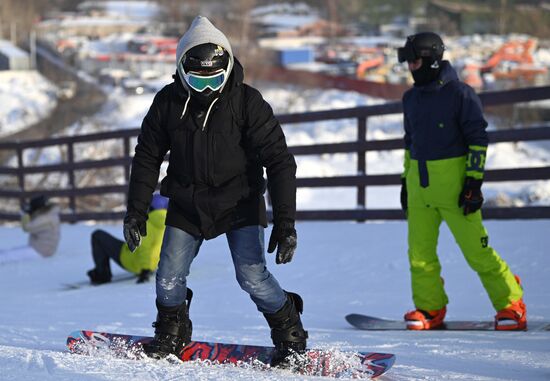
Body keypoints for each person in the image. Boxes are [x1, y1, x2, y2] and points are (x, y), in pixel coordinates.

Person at [123, 15, 307, 364]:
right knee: (167, 277)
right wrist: (135, 211)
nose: (207, 89)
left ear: (228, 69)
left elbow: (280, 161)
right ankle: (172, 331)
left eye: (215, 80)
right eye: (197, 80)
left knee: (252, 277)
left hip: (239, 200)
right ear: (181, 71)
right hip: (188, 201)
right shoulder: (167, 103)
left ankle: (289, 329)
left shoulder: (248, 103)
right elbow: (147, 156)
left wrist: (286, 223)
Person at [397, 32, 526, 331]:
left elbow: (478, 139)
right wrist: (406, 182)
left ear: (430, 60)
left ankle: (511, 305)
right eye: (409, 61)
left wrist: (473, 183)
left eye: (415, 61)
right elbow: (409, 143)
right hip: (420, 188)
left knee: (477, 251)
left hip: (456, 189)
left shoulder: (460, 94)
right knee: (419, 254)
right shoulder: (410, 98)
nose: (410, 67)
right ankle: (429, 309)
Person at [87, 193, 168, 285]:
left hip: (133, 261)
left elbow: (144, 248)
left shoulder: (147, 224)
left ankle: (102, 275)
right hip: (153, 264)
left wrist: (145, 270)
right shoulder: (168, 224)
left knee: (98, 235)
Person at [0, 195, 60, 264]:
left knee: (8, 256)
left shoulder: (46, 219)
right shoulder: (49, 214)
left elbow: (27, 228)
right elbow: (36, 222)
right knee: (8, 252)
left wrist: (25, 215)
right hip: (40, 248)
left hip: (41, 251)